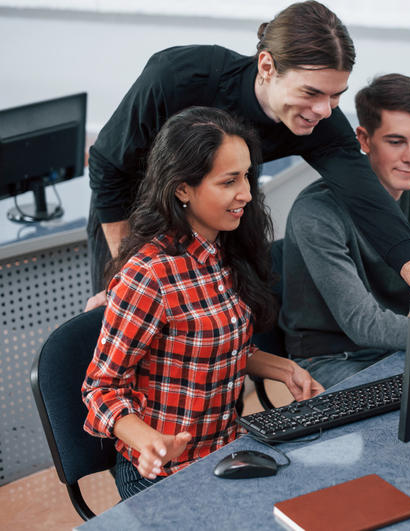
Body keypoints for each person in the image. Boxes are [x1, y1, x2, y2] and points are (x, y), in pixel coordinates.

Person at [85, 0, 410, 312]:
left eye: (336, 95)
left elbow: (370, 204)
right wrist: (128, 272)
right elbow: (107, 164)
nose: (324, 109)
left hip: (216, 220)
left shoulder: (322, 121)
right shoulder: (180, 76)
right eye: (311, 93)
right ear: (267, 67)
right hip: (134, 214)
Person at [82, 107, 323, 500]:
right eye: (229, 181)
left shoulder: (222, 251)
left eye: (246, 176)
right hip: (162, 474)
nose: (246, 193)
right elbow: (100, 389)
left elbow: (216, 346)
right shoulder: (150, 275)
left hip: (225, 453)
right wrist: (147, 440)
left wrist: (283, 368)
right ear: (182, 189)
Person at [279, 74, 410, 388]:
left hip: (402, 340)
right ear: (364, 139)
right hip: (334, 357)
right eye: (396, 142)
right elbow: (362, 323)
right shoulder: (316, 211)